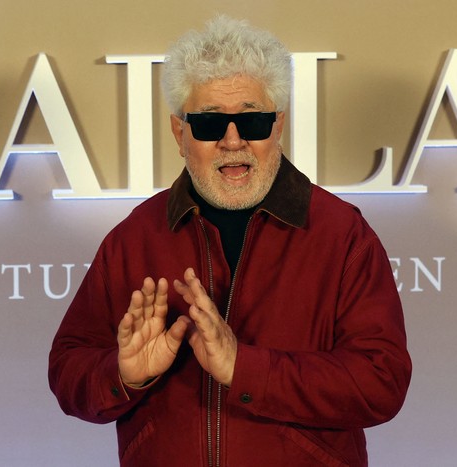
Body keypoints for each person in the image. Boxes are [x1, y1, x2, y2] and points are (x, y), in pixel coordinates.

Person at [48, 15, 411, 467]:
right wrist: (124, 374)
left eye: (253, 121)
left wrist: (245, 368)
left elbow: (381, 382)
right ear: (179, 133)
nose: (233, 140)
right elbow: (67, 371)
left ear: (277, 126)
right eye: (208, 124)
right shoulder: (134, 237)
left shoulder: (342, 236)